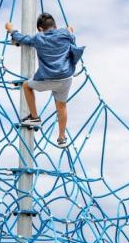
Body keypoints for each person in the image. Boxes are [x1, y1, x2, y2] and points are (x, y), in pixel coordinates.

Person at [5, 12, 85, 147]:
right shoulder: (65, 34)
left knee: (26, 86)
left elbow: (22, 38)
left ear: (40, 29)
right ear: (55, 26)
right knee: (61, 106)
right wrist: (70, 30)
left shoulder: (38, 38)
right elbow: (71, 34)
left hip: (47, 78)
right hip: (66, 78)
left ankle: (34, 117)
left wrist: (11, 29)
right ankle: (61, 137)